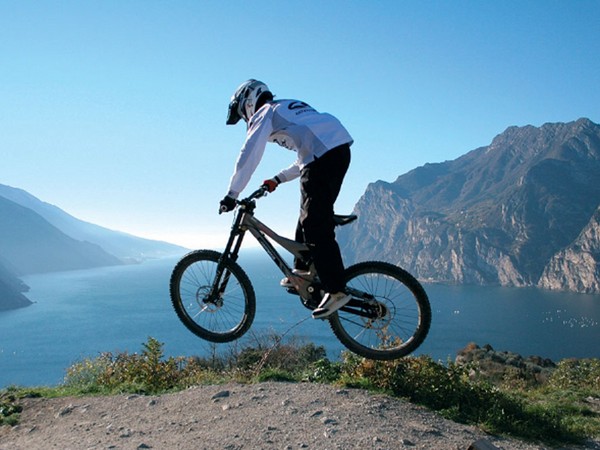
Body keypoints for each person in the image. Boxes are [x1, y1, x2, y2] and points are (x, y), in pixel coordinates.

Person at [219, 79, 353, 319]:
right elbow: (306, 156)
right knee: (307, 217)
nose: (244, 120)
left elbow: (249, 153)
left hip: (325, 158)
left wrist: (232, 194)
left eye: (241, 115)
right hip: (336, 151)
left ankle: (336, 290)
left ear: (247, 102)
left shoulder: (265, 112)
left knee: (314, 224)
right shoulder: (285, 108)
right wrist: (277, 179)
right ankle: (302, 274)